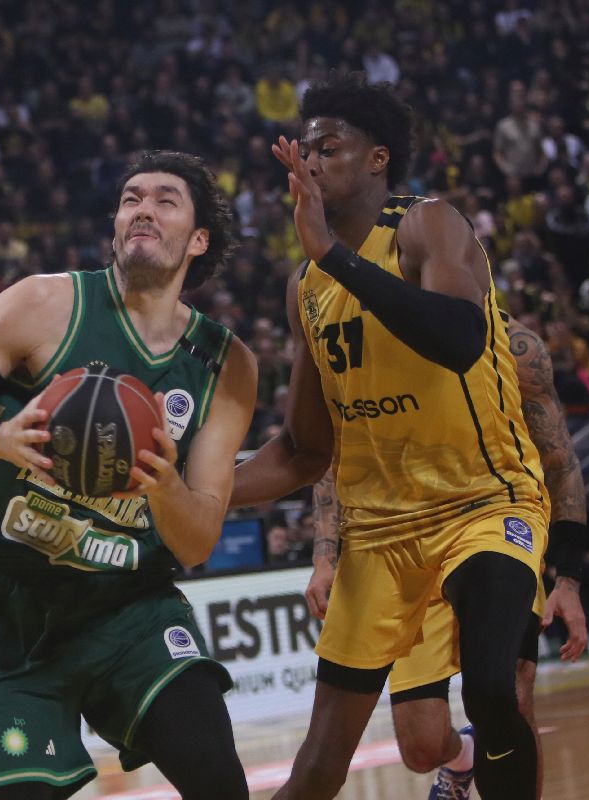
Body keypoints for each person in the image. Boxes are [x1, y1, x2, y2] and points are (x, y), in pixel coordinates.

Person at [228, 75, 569, 800]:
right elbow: (303, 450)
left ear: (378, 158)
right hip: (380, 535)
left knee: (492, 688)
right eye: (305, 151)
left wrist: (336, 256)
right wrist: (188, 490)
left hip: (483, 504)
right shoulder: (306, 287)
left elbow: (458, 338)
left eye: (329, 148)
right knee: (321, 766)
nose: (311, 162)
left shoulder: (428, 225)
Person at [0, 150, 258, 799]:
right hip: (10, 617)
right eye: (131, 198)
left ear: (199, 239)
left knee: (220, 783)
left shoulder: (226, 366)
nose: (142, 209)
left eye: (165, 200)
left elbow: (198, 542)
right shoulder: (42, 302)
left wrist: (163, 484)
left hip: (130, 609)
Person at [305, 316, 589, 799]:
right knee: (421, 746)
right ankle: (463, 757)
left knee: (507, 697)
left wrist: (569, 580)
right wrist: (325, 554)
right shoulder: (372, 334)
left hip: (493, 525)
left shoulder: (517, 346)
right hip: (404, 543)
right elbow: (336, 452)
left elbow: (560, 461)